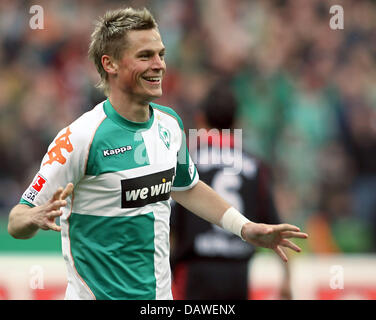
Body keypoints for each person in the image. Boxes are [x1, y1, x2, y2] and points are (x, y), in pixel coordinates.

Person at [7, 7, 307, 300]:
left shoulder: (170, 124)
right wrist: (34, 217)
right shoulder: (80, 138)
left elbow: (188, 188)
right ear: (110, 64)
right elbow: (16, 221)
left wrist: (245, 228)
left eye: (161, 54)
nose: (159, 65)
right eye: (145, 56)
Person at [170, 81, 292, 300]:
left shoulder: (185, 160)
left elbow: (169, 225)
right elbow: (276, 229)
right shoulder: (256, 166)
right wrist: (287, 278)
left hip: (195, 270)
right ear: (236, 123)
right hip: (238, 273)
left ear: (200, 119)